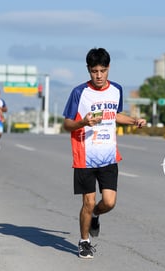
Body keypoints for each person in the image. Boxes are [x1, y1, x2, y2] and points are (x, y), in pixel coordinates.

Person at [62, 48, 146, 259]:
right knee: (88, 203)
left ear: (109, 69)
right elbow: (66, 125)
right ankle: (84, 241)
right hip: (85, 157)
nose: (99, 76)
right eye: (94, 71)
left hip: (109, 156)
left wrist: (134, 121)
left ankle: (95, 217)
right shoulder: (79, 93)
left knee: (108, 202)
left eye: (102, 70)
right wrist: (83, 122)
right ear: (88, 70)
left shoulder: (116, 90)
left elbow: (115, 115)